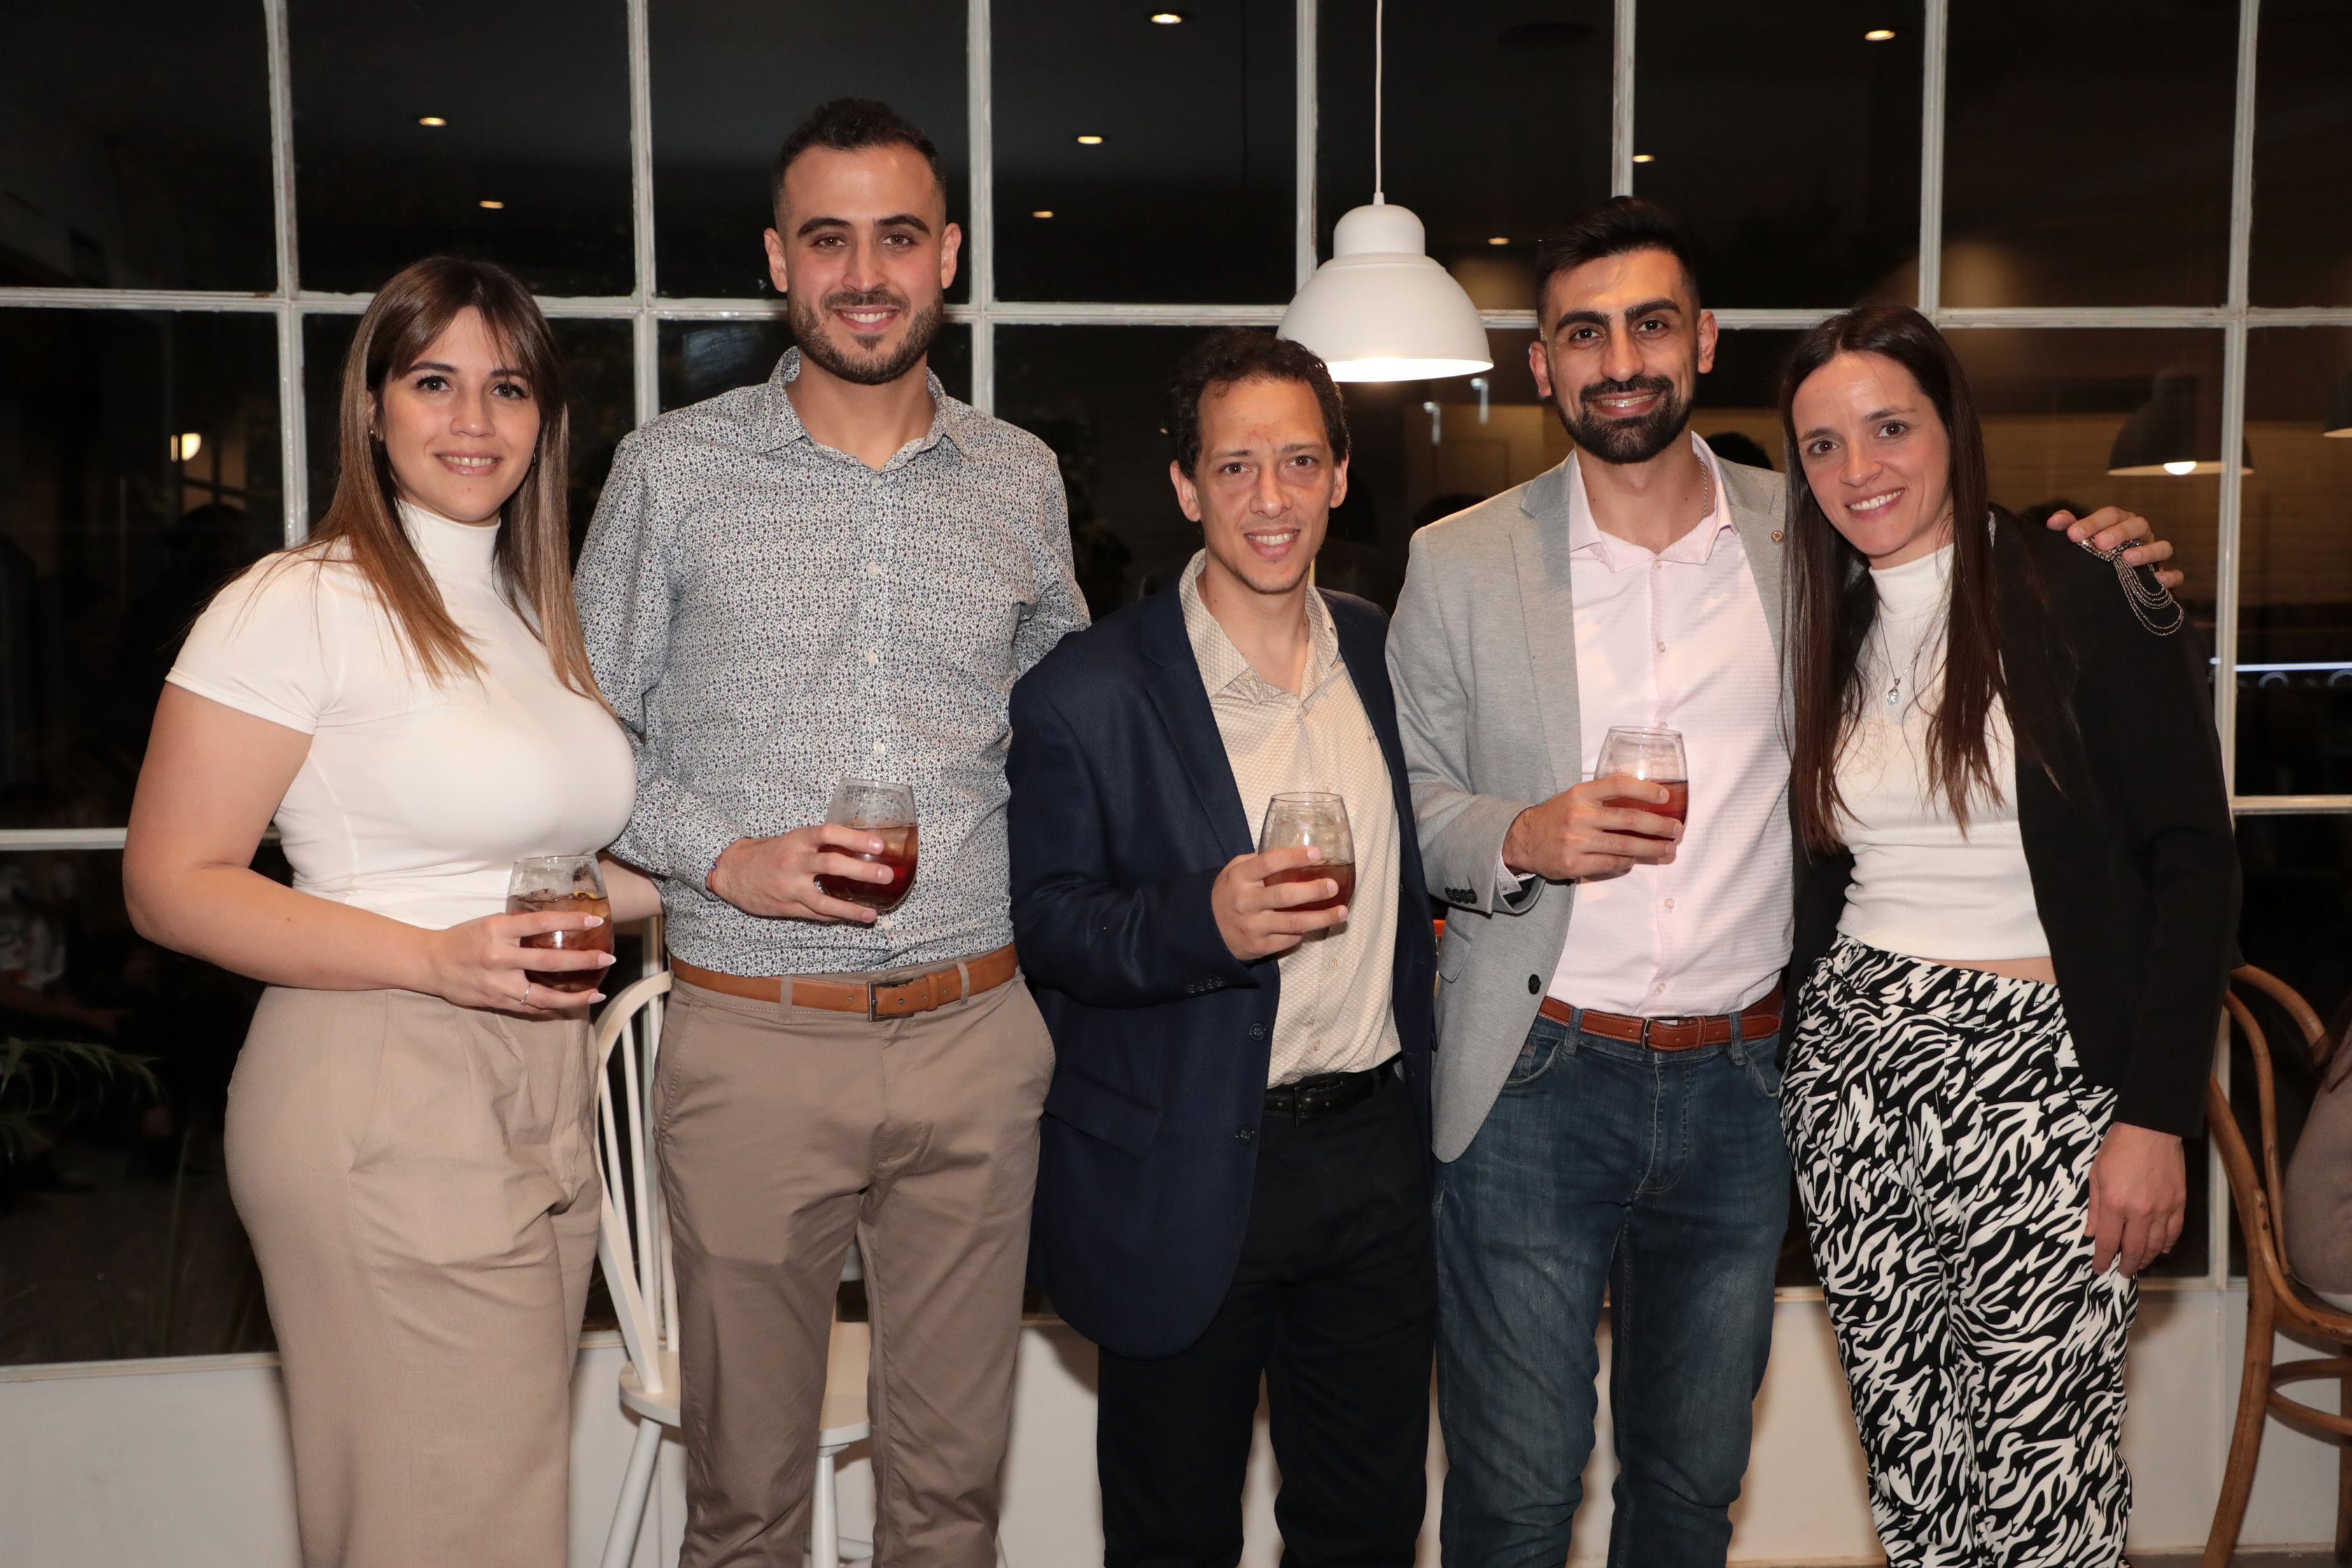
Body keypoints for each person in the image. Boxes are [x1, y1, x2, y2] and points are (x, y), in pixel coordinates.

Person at [1382, 197, 2178, 1568]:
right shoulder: (1457, 559)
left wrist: (2099, 558)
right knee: (1514, 1498)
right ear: (1542, 367)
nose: (1619, 357)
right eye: (1584, 332)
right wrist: (1521, 835)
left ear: (1700, 342)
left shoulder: (1803, 534)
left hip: (1748, 1086)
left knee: (1691, 1493)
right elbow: (1417, 804)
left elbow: (1954, 560)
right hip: (1536, 1078)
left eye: (1648, 323)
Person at [573, 97, 1086, 1568]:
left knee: (951, 1502)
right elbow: (580, 733)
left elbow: (1063, 727)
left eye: (900, 237)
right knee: (744, 1509)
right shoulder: (671, 470)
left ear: (950, 257)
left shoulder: (1021, 476)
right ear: (779, 264)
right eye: (830, 238)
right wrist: (721, 855)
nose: (867, 271)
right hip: (753, 1039)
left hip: (977, 1036)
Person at [120, 255, 661, 1567]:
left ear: (545, 421)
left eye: (508, 387)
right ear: (371, 405)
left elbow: (549, 874)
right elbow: (169, 884)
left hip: (537, 1085)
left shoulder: (534, 618)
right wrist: (435, 958)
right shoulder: (298, 603)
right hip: (378, 1077)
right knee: (448, 1525)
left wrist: (734, 879)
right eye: (435, 381)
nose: (474, 419)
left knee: (490, 1509)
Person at [1777, 303, 2238, 1566]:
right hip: (1856, 1078)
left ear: (1952, 429)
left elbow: (2196, 866)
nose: (1857, 470)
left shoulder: (2089, 594)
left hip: (2040, 1082)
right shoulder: (1833, 624)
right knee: (1915, 1468)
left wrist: (2157, 1118)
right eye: (1821, 446)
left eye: (1888, 429)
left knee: (2045, 1479)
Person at [1011, 330, 1437, 1568]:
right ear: (1188, 487)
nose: (1271, 498)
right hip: (1184, 1163)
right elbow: (1044, 920)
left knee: (1362, 1528)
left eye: (1300, 461)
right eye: (1236, 466)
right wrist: (1201, 922)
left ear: (1341, 477)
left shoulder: (1381, 653)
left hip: (1370, 1159)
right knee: (1173, 1534)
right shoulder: (1083, 692)